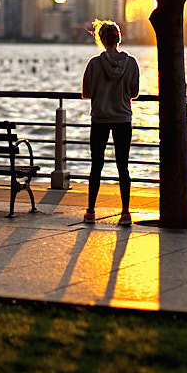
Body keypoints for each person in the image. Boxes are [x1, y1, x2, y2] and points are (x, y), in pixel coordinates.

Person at [81, 20, 140, 226]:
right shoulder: (131, 63)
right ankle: (125, 212)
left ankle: (90, 211)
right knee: (122, 166)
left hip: (100, 119)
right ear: (119, 38)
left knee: (96, 165)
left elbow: (86, 93)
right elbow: (134, 92)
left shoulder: (94, 64)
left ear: (101, 40)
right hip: (123, 119)